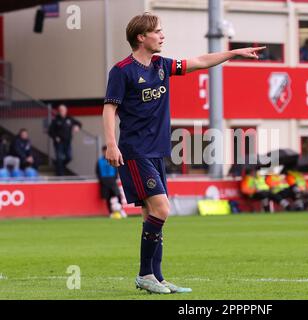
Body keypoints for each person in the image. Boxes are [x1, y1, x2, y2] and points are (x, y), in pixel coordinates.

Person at [102, 12, 265, 294]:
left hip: (157, 152)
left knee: (150, 213)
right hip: (135, 151)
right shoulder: (122, 70)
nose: (163, 35)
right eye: (158, 31)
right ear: (141, 37)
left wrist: (234, 52)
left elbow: (201, 62)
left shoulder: (163, 65)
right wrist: (111, 143)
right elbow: (109, 107)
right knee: (162, 209)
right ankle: (144, 275)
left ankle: (157, 277)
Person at [48, 104, 82, 176]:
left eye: (63, 110)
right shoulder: (55, 120)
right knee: (59, 158)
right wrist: (55, 137)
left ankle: (59, 166)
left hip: (68, 142)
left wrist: (77, 127)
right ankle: (60, 175)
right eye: (60, 110)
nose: (62, 111)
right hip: (59, 143)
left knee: (69, 157)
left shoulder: (69, 119)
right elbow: (50, 131)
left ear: (66, 111)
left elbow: (79, 123)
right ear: (58, 111)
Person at [96, 145, 126, 218]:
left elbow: (116, 168)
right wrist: (101, 180)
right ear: (102, 152)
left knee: (118, 195)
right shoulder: (99, 161)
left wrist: (115, 178)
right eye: (104, 151)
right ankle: (110, 213)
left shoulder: (112, 159)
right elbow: (97, 171)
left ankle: (121, 210)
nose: (105, 152)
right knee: (107, 197)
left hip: (112, 180)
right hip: (104, 181)